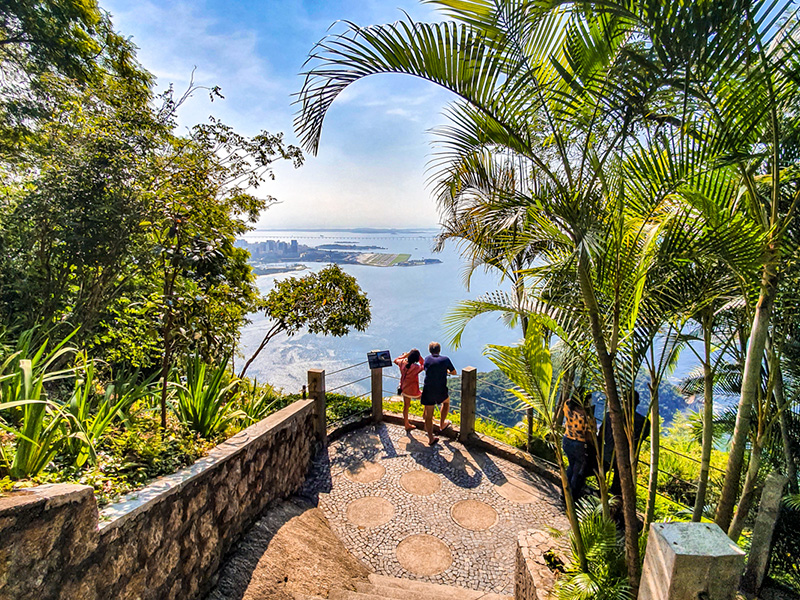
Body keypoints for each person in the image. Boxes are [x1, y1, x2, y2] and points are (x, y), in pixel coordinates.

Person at [601, 390, 650, 497]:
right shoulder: (645, 422)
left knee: (601, 470)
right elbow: (641, 438)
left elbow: (602, 435)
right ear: (638, 402)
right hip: (629, 458)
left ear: (622, 402)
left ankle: (601, 491)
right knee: (618, 486)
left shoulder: (610, 416)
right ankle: (615, 501)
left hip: (608, 454)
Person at [419, 341, 457, 446]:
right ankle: (442, 424)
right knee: (446, 402)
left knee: (429, 415)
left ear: (430, 350)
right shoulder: (445, 359)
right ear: (439, 350)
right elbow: (454, 372)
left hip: (428, 389)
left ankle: (430, 437)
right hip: (440, 388)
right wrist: (447, 372)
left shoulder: (427, 359)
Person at [562, 393, 593, 503]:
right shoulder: (586, 416)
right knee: (577, 470)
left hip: (566, 440)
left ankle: (564, 490)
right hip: (578, 444)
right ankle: (571, 496)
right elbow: (590, 432)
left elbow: (567, 401)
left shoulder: (568, 406)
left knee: (570, 466)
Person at [394, 348, 424, 432]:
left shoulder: (402, 363)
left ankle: (406, 424)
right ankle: (425, 415)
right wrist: (420, 358)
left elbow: (396, 360)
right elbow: (424, 365)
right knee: (427, 398)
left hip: (404, 389)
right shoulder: (416, 367)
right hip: (414, 391)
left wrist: (406, 355)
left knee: (406, 407)